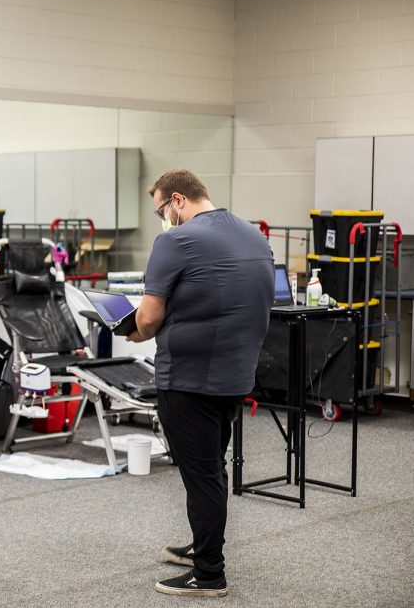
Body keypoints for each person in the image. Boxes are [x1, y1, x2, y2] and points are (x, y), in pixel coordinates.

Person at [127, 169, 273, 598]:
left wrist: (131, 330)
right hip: (233, 375)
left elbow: (150, 317)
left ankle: (209, 573)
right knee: (212, 466)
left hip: (188, 379)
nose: (162, 217)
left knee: (202, 474)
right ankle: (202, 547)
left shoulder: (175, 240)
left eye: (160, 209)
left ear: (177, 200)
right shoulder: (252, 234)